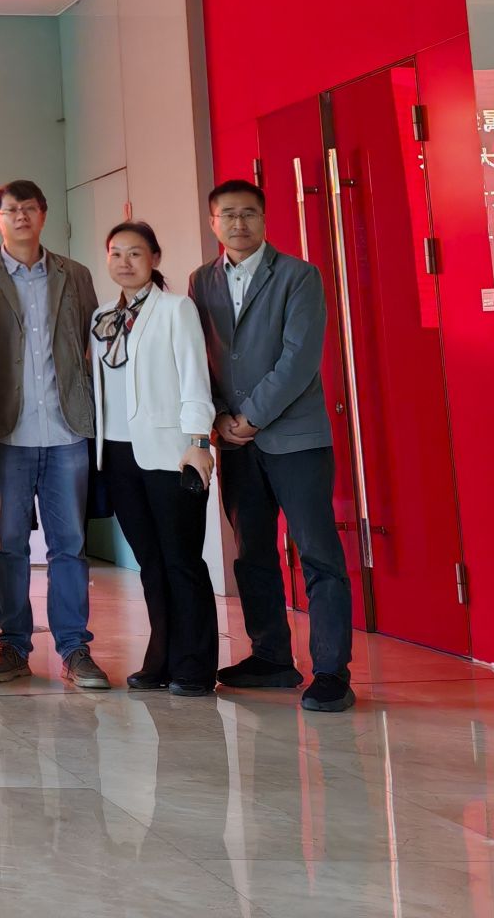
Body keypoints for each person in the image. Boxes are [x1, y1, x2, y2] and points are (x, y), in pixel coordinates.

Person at [190, 179, 355, 712]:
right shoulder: (201, 281)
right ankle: (271, 658)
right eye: (228, 215)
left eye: (249, 214)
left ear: (264, 219)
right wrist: (219, 415)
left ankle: (331, 671)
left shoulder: (299, 276)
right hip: (234, 442)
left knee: (318, 553)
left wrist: (252, 417)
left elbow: (299, 357)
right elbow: (200, 356)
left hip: (295, 439)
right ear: (213, 222)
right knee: (253, 554)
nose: (239, 223)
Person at [0, 179, 105, 689]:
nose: (21, 216)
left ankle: (74, 648)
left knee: (70, 545)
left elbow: (91, 344)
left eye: (29, 208)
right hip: (7, 433)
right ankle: (12, 646)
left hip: (67, 430)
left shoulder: (75, 274)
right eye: (11, 210)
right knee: (8, 546)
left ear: (44, 215)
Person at [91, 220, 219, 695]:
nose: (125, 262)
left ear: (155, 259)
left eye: (135, 253)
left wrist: (199, 442)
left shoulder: (175, 308)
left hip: (170, 453)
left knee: (182, 560)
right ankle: (161, 658)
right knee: (150, 563)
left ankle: (195, 666)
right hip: (118, 455)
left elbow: (194, 378)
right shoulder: (102, 317)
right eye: (116, 253)